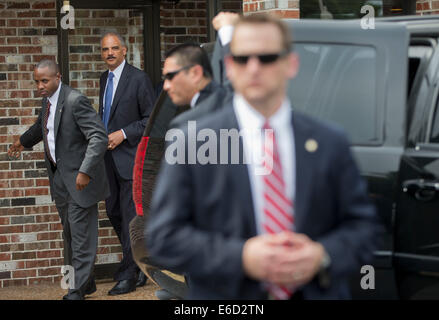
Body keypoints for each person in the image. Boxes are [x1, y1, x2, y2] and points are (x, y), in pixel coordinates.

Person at [146, 14, 382, 299]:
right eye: (244, 59)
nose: (255, 68)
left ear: (290, 64)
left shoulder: (329, 141)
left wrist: (322, 255)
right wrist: (241, 257)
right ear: (230, 67)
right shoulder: (192, 141)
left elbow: (365, 230)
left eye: (267, 57)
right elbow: (163, 237)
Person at [8, 60, 109, 300]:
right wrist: (22, 142)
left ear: (57, 77)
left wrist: (85, 171)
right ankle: (85, 283)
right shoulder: (47, 102)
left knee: (81, 236)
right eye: (37, 81)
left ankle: (76, 290)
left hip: (80, 181)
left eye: (44, 80)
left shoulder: (75, 100)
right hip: (60, 180)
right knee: (71, 234)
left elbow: (99, 137)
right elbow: (41, 128)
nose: (40, 86)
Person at [99, 31, 155, 295]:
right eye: (105, 49)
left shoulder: (139, 79)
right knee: (113, 212)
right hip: (108, 160)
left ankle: (129, 274)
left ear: (124, 50)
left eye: (114, 48)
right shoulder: (104, 79)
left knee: (130, 216)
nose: (109, 53)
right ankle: (138, 264)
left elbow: (150, 120)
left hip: (132, 159)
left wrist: (122, 134)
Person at [163, 42, 227, 129]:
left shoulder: (187, 124)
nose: (166, 86)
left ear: (196, 73)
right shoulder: (226, 101)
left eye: (170, 76)